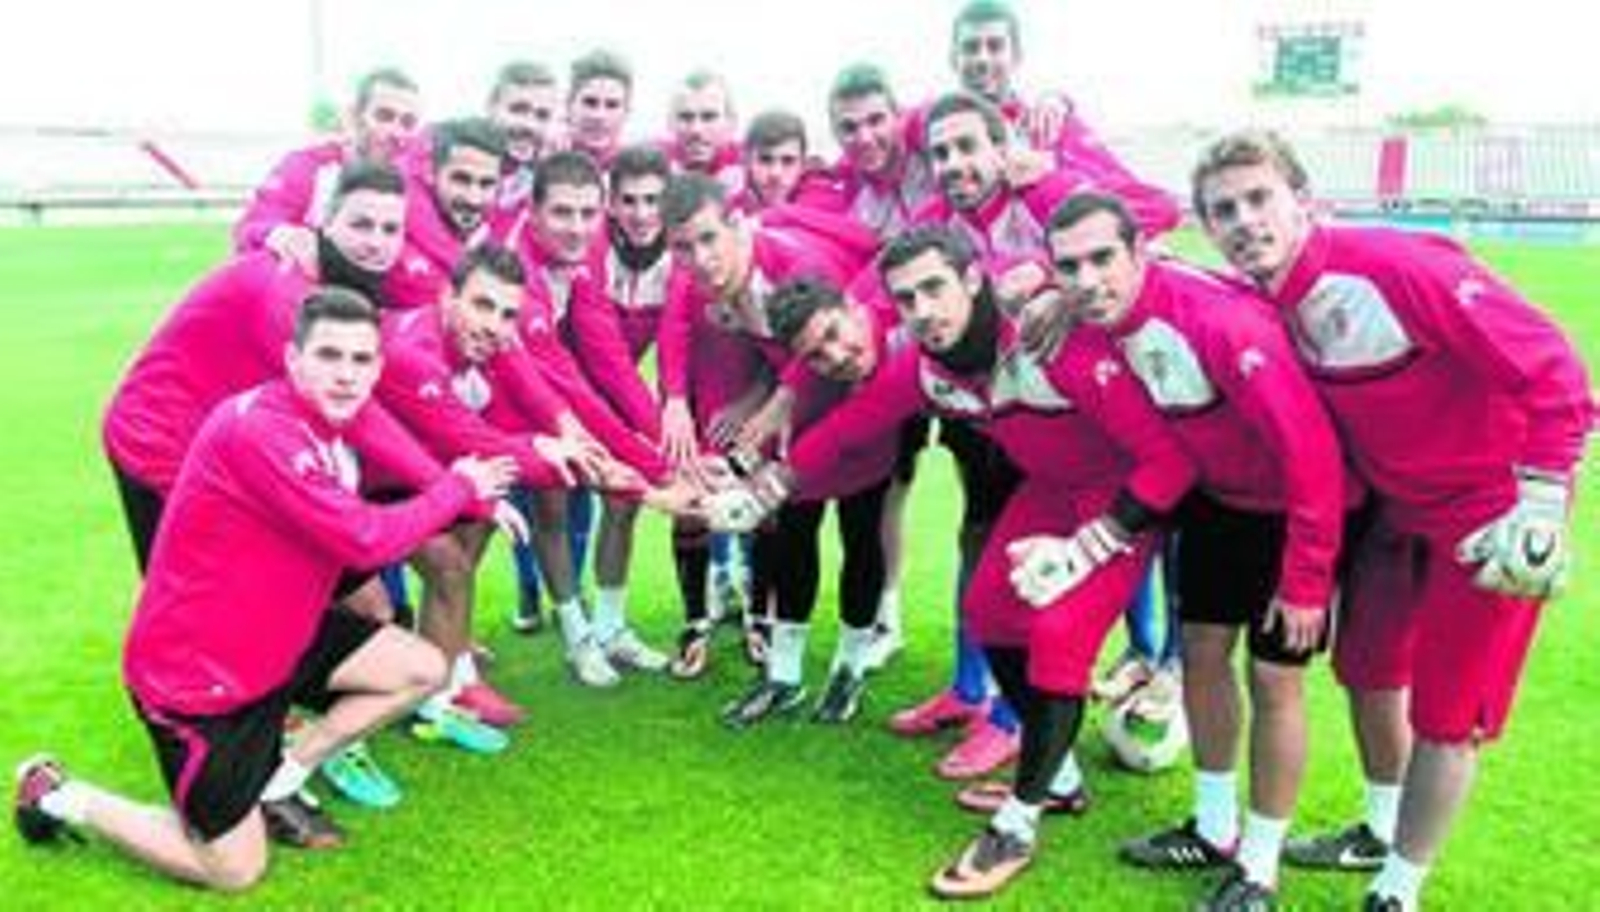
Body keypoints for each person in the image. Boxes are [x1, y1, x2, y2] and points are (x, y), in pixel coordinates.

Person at [702, 226, 1194, 898]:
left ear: (971, 278)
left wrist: (1091, 544)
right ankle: (1060, 782)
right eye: (906, 299)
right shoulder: (922, 367)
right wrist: (761, 492)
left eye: (935, 287)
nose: (923, 310)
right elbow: (851, 427)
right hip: (1049, 493)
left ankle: (1018, 826)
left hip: (1124, 499)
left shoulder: (1050, 339)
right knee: (988, 612)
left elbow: (1169, 462)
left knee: (1055, 638)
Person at [1190, 130, 1593, 911]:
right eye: (1222, 210)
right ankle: (1379, 829)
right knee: (1367, 669)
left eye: (1259, 198)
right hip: (1396, 507)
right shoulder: (1259, 301)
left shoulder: (1395, 268)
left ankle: (1399, 891)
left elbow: (1555, 368)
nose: (1243, 221)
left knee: (1448, 716)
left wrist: (1541, 505)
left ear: (1305, 201)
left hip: (1491, 510)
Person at [13, 289, 515, 890]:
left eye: (361, 360)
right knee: (233, 869)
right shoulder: (260, 430)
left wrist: (476, 491)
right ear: (292, 359)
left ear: (378, 368)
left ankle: (281, 777)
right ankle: (59, 796)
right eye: (329, 356)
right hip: (198, 679)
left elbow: (401, 450)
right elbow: (364, 542)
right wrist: (457, 489)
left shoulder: (334, 416)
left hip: (279, 642)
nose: (346, 374)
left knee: (420, 667)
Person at [1045, 192, 1354, 910]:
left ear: (1140, 251)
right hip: (1215, 505)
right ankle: (1214, 828)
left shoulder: (1218, 320)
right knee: (1202, 656)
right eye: (1069, 266)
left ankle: (1261, 866)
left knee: (1276, 682)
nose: (1087, 279)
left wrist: (1308, 578)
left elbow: (1311, 453)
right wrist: (1045, 295)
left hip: (1291, 515)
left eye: (1102, 259)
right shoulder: (1093, 321)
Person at [234, 68, 422, 274]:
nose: (397, 132)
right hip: (307, 295)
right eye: (384, 117)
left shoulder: (413, 181)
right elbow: (251, 228)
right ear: (353, 116)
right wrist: (278, 234)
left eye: (408, 123)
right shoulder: (309, 166)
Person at [385, 117, 506, 310]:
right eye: (461, 179)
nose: (473, 198)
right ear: (430, 173)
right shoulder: (389, 234)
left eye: (487, 184)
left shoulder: (496, 239)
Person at [566, 49, 634, 169]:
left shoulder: (641, 172)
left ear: (627, 112)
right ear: (569, 105)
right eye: (590, 103)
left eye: (612, 105)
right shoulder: (541, 161)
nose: (599, 116)